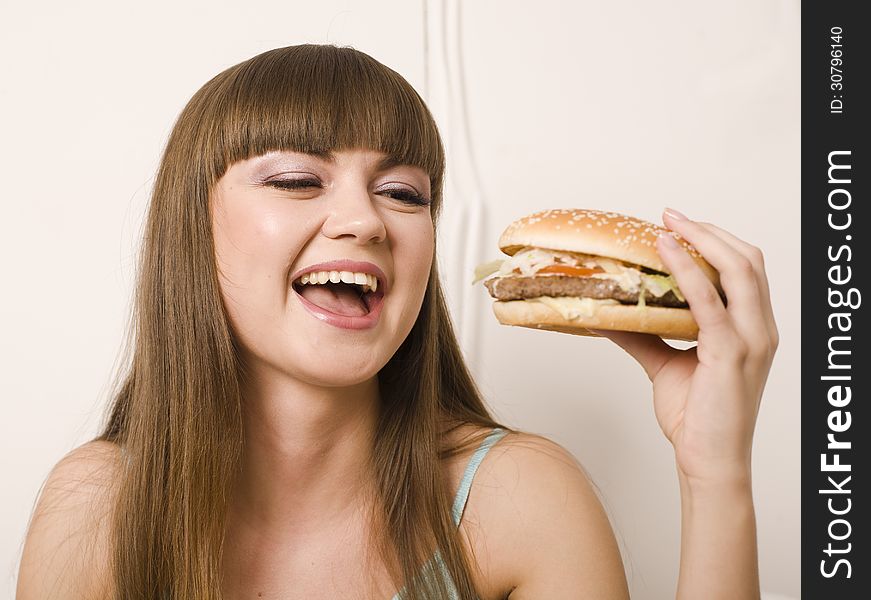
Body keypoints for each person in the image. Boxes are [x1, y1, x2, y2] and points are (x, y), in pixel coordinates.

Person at [16, 44, 777, 599]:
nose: (364, 220)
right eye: (294, 179)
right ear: (193, 229)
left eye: (405, 194)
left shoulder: (514, 499)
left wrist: (713, 474)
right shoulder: (99, 508)